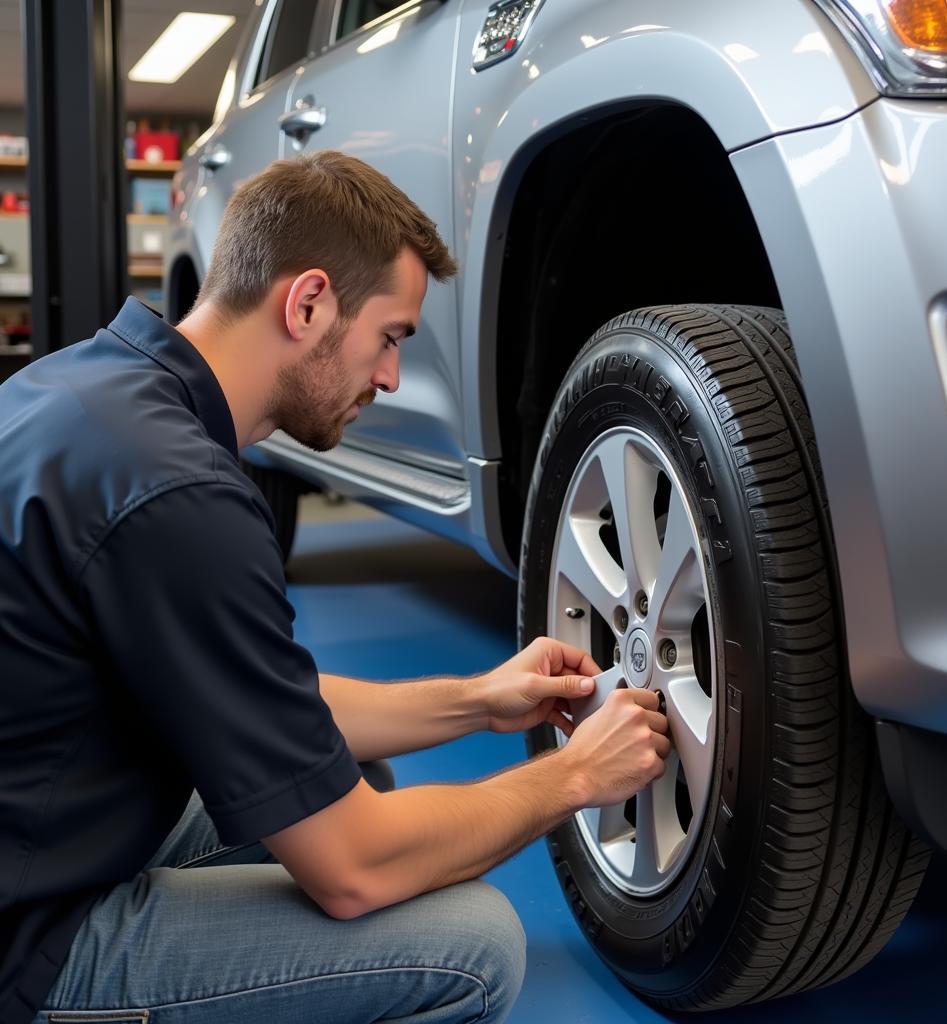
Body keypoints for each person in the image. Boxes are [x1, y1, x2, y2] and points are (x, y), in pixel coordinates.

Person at [0, 151, 671, 1024]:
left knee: (349, 770)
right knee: (472, 947)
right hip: (31, 935)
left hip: (38, 819)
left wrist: (481, 699)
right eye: (390, 336)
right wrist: (575, 776)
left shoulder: (87, 386)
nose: (391, 377)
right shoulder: (183, 497)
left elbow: (266, 695)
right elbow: (354, 872)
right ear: (308, 301)